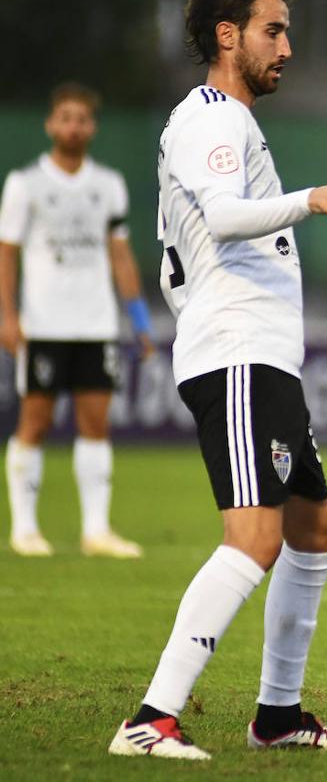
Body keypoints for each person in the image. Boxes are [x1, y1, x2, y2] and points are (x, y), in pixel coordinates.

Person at [107, 0, 327, 761]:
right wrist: (310, 197)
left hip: (262, 359)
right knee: (255, 538)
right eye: (273, 29)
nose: (286, 46)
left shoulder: (231, 120)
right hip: (235, 356)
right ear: (228, 36)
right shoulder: (212, 115)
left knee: (317, 532)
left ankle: (279, 716)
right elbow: (223, 218)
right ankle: (149, 719)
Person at [0, 82, 154, 559]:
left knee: (95, 422)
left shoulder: (107, 185)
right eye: (65, 117)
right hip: (44, 322)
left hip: (97, 322)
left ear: (93, 127)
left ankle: (96, 531)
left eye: (82, 118)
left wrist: (139, 317)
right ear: (50, 124)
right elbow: (7, 252)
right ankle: (24, 528)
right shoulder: (25, 184)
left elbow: (120, 254)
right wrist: (6, 314)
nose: (73, 126)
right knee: (37, 419)